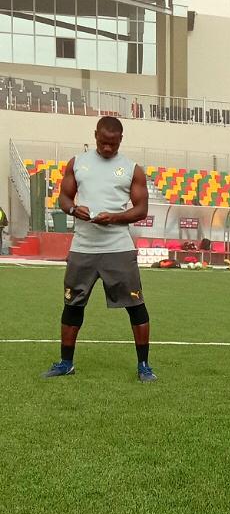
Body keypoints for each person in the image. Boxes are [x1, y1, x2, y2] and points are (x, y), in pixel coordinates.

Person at [42, 116, 156, 382]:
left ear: (121, 140)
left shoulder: (131, 169)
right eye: (103, 143)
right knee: (72, 304)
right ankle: (66, 363)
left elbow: (141, 209)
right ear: (95, 136)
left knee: (136, 305)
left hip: (118, 248)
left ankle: (144, 366)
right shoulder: (78, 163)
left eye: (113, 144)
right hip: (83, 246)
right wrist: (72, 209)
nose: (107, 148)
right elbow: (64, 197)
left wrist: (114, 217)